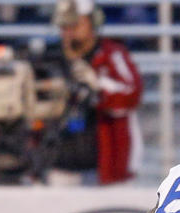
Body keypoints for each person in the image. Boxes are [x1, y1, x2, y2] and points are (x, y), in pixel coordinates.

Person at [49, 0, 143, 184]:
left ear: (93, 22)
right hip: (58, 162)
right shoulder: (51, 57)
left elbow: (132, 94)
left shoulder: (111, 54)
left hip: (104, 165)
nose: (69, 31)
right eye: (64, 26)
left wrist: (97, 84)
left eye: (75, 24)